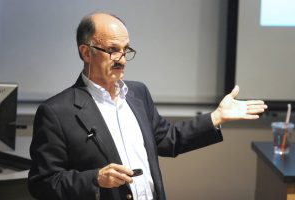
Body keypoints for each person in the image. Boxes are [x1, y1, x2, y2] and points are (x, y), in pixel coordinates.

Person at [28, 12, 267, 200]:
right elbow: (42, 183)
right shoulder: (57, 112)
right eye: (111, 50)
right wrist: (96, 179)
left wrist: (216, 117)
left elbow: (167, 139)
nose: (121, 59)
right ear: (86, 53)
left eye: (125, 50)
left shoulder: (138, 94)